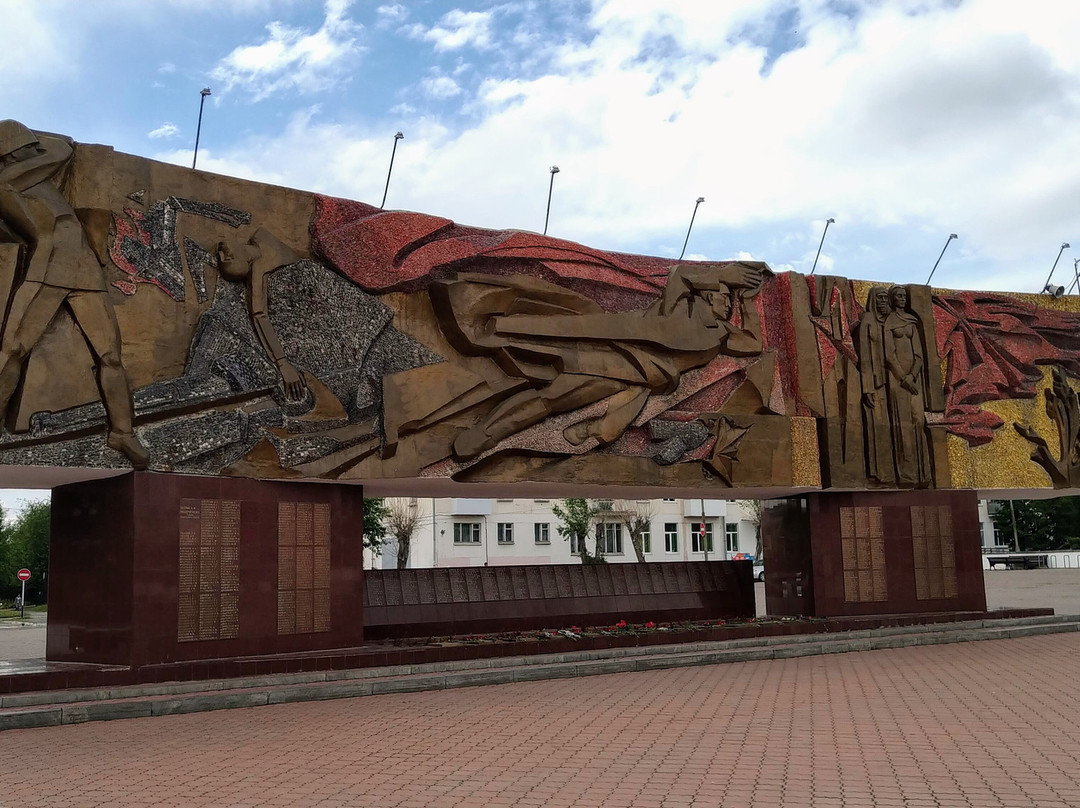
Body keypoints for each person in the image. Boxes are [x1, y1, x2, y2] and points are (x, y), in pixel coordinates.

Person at [429, 262, 767, 460]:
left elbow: (753, 343)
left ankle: (496, 432)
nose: (728, 305)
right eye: (724, 298)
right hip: (611, 352)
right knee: (548, 385)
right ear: (706, 296)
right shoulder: (681, 306)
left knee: (562, 403)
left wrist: (748, 300)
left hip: (638, 377)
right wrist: (724, 275)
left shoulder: (722, 334)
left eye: (731, 302)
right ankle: (486, 430)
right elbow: (679, 274)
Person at [0, 120, 147, 468]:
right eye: (29, 146)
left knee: (110, 355)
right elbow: (63, 149)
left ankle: (122, 432)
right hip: (47, 269)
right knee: (14, 349)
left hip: (85, 270)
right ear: (13, 153)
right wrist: (47, 141)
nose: (37, 150)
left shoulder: (37, 177)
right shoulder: (8, 180)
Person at [883, 285, 931, 486]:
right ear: (893, 299)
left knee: (918, 421)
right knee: (902, 425)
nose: (902, 299)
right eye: (899, 296)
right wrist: (903, 377)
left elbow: (919, 355)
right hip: (897, 381)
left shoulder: (912, 322)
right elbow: (889, 354)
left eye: (904, 296)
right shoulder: (889, 322)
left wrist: (912, 376)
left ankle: (923, 474)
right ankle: (906, 475)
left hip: (914, 379)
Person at [855, 286, 894, 484]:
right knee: (877, 426)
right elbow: (864, 356)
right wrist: (867, 387)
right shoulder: (867, 321)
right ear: (872, 300)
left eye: (885, 298)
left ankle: (893, 471)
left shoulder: (890, 322)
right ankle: (879, 472)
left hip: (894, 382)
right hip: (876, 383)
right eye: (879, 298)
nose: (883, 301)